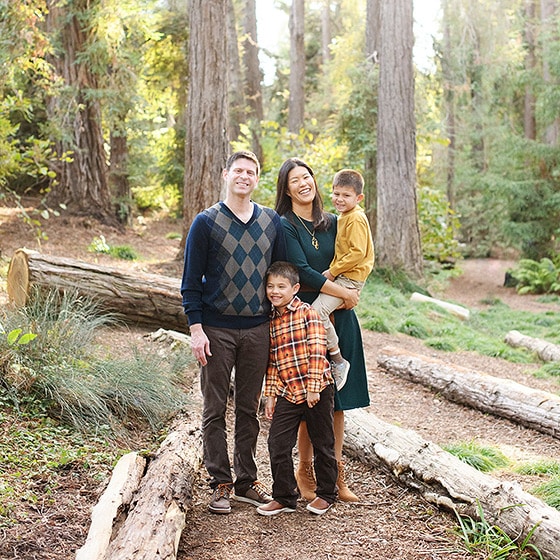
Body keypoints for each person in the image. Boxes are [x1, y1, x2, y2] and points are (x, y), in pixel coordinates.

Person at [181, 150, 287, 515]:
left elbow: (283, 274)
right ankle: (220, 482)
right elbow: (190, 283)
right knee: (213, 409)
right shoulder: (206, 223)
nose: (244, 176)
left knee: (248, 409)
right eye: (238, 170)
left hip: (258, 328)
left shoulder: (271, 222)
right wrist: (196, 329)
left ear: (257, 179)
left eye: (251, 172)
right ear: (226, 174)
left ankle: (246, 480)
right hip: (216, 328)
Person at [275, 157, 371, 503]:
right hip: (306, 323)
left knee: (338, 402)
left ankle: (336, 473)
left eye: (307, 177)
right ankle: (305, 470)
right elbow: (302, 271)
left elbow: (356, 260)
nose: (303, 183)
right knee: (306, 398)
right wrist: (344, 292)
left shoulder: (336, 219)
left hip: (339, 317)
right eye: (294, 180)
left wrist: (352, 292)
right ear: (286, 189)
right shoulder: (285, 224)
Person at [257, 261, 338, 517]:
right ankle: (284, 496)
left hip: (318, 389)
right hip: (289, 392)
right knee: (277, 443)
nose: (275, 291)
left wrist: (314, 387)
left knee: (323, 442)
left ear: (295, 288)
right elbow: (272, 361)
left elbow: (317, 350)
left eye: (281, 286)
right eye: (270, 286)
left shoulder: (308, 313)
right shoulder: (270, 320)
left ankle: (326, 494)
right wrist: (270, 395)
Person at [310, 169, 375, 391]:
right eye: (336, 194)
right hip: (344, 277)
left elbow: (357, 252)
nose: (339, 199)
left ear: (359, 198)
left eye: (346, 195)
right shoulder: (345, 216)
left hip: (348, 279)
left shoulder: (355, 218)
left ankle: (337, 360)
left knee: (316, 312)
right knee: (317, 311)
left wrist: (332, 271)